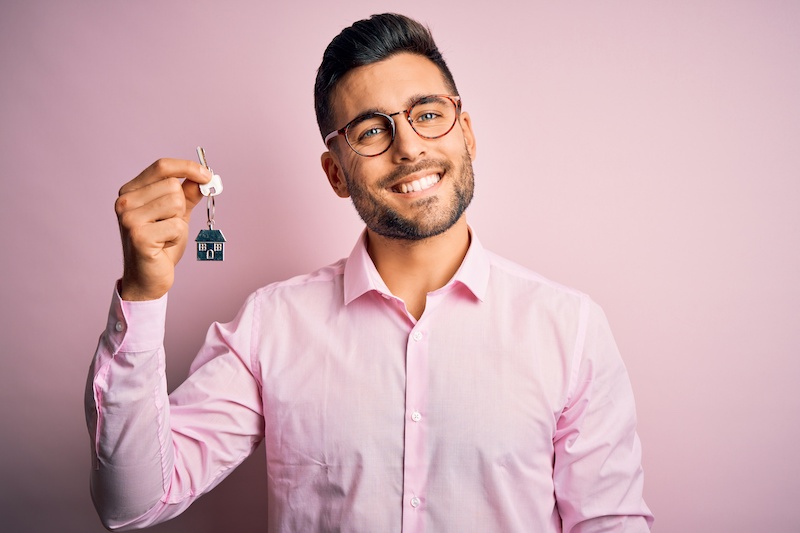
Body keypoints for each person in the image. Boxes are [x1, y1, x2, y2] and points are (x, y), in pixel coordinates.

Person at [85, 12, 654, 532]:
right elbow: (132, 500)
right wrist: (143, 293)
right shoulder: (271, 325)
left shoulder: (570, 328)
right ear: (336, 174)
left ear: (468, 134)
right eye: (371, 130)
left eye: (429, 114)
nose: (408, 146)